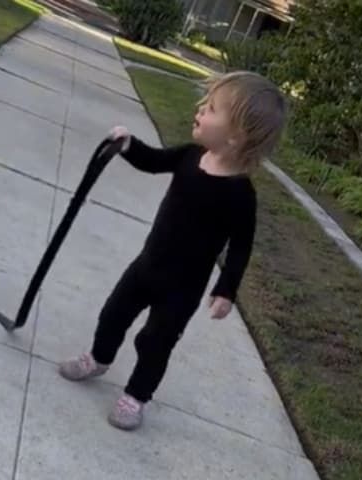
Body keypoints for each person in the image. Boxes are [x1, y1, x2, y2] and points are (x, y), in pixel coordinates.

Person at [58, 70, 288, 431]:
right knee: (114, 313)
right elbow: (153, 161)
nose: (200, 109)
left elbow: (241, 246)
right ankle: (99, 358)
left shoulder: (241, 195)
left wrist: (226, 290)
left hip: (183, 289)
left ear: (236, 135)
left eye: (211, 109)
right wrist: (128, 145)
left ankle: (136, 396)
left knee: (155, 342)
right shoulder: (189, 156)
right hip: (146, 266)